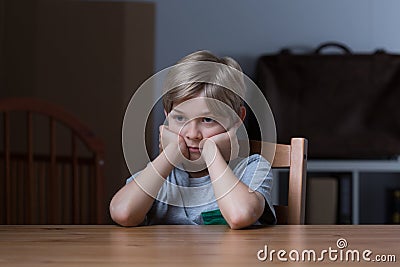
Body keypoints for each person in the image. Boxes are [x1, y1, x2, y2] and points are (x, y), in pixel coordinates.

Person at [110, 50, 276, 229]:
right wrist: (170, 155)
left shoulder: (251, 169)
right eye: (180, 118)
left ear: (237, 119)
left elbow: (239, 215)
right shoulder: (160, 175)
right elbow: (123, 213)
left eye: (207, 120)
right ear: (167, 117)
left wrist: (212, 154)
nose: (192, 134)